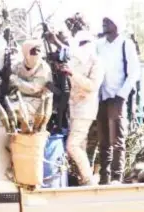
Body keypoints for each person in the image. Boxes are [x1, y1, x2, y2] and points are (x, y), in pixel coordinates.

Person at [0, 40, 54, 133]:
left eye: (38, 51)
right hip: (18, 100)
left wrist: (13, 79)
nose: (37, 54)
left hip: (38, 103)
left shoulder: (43, 68)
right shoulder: (18, 66)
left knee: (12, 108)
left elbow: (33, 89)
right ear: (26, 52)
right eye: (34, 51)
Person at [96, 12, 141, 185]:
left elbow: (134, 73)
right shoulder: (99, 45)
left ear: (117, 24)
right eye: (103, 21)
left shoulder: (125, 44)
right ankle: (104, 177)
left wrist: (122, 95)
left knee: (117, 139)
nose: (104, 23)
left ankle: (117, 176)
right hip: (102, 96)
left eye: (108, 20)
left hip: (117, 97)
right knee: (104, 139)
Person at [57, 31, 104, 186]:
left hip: (86, 110)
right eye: (81, 43)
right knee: (80, 146)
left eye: (85, 42)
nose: (83, 46)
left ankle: (89, 179)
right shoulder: (76, 61)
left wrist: (72, 73)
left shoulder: (97, 62)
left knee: (72, 145)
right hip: (74, 108)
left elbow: (92, 86)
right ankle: (84, 179)